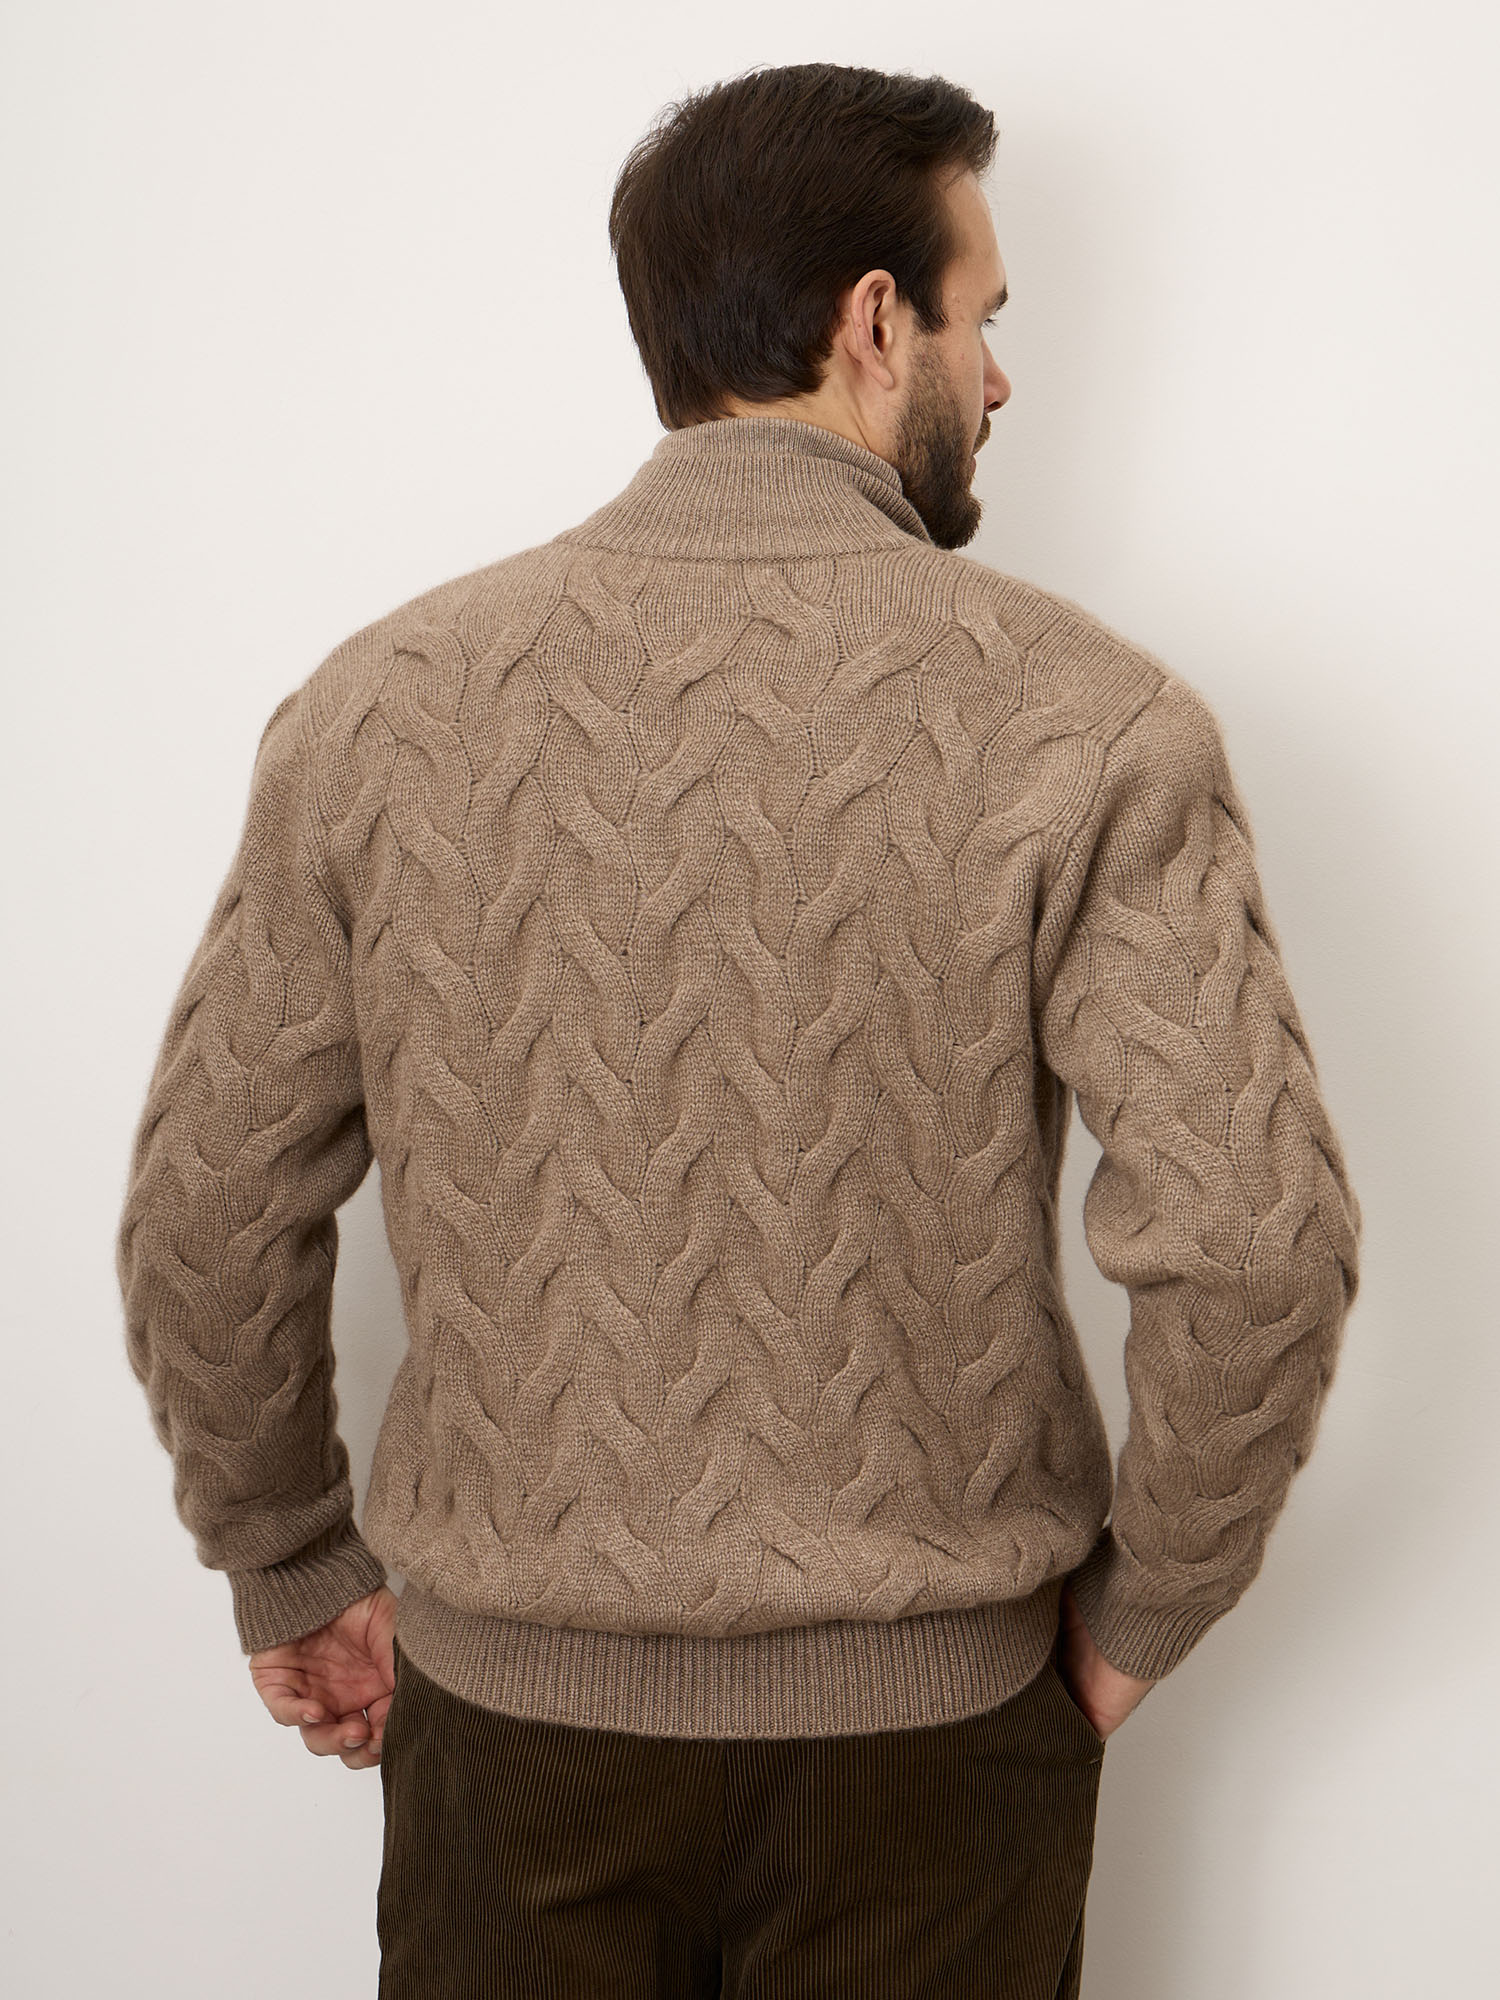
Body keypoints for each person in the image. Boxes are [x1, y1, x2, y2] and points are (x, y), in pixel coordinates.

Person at [115, 60, 1363, 2000]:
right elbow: (1257, 1240)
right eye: (982, 318)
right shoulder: (1088, 720)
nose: (999, 377)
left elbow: (207, 1209)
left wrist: (290, 1556)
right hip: (936, 1761)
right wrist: (1141, 1614)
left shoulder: (379, 713)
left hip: (513, 1750)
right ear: (875, 321)